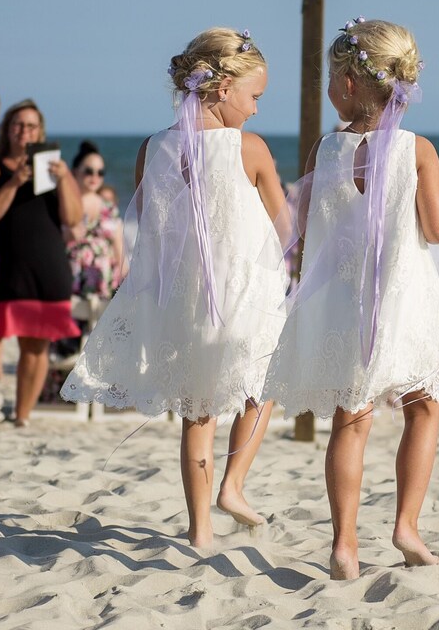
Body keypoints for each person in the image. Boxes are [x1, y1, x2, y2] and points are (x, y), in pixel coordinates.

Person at [61, 28, 288, 548]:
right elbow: (284, 224)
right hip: (237, 297)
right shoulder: (248, 147)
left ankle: (200, 530)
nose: (255, 110)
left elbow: (151, 227)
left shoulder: (151, 148)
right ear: (223, 87)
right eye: (255, 97)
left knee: (196, 414)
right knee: (266, 381)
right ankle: (232, 485)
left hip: (180, 304)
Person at [262, 17, 439, 580]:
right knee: (422, 408)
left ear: (348, 84)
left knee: (352, 418)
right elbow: (438, 230)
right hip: (401, 297)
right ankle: (406, 527)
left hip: (344, 302)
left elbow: (307, 222)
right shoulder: (417, 150)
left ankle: (344, 543)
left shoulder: (324, 150)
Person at [0, 100, 83, 427]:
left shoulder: (55, 170)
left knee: (36, 344)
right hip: (5, 268)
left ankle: (21, 417)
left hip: (46, 266)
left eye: (30, 126)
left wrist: (65, 177)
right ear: (7, 130)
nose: (24, 131)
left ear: (40, 131)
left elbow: (72, 217)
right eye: (17, 125)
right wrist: (15, 181)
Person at [64, 140, 123, 299]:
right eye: (89, 171)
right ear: (75, 171)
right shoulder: (64, 204)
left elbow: (119, 250)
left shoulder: (109, 208)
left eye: (100, 172)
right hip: (71, 285)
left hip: (105, 286)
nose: (95, 177)